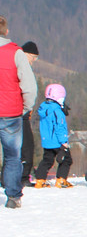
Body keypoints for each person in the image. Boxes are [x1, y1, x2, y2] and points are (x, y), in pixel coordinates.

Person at [0, 17, 36, 208]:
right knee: (12, 155)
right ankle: (13, 196)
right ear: (6, 32)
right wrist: (25, 107)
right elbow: (29, 86)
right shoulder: (16, 53)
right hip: (10, 113)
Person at [34, 84, 73, 188]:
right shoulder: (56, 110)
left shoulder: (43, 108)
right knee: (66, 160)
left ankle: (40, 180)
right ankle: (61, 180)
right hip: (58, 141)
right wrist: (64, 141)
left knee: (47, 160)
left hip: (47, 141)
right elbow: (59, 127)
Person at [18, 41, 38, 188]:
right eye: (33, 56)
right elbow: (29, 91)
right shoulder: (22, 68)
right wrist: (27, 108)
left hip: (12, 111)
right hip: (19, 112)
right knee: (26, 145)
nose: (34, 60)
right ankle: (23, 176)